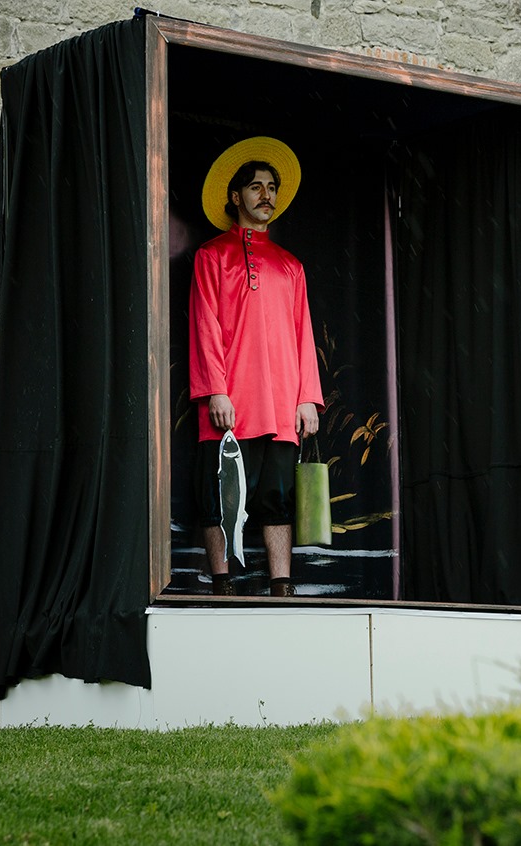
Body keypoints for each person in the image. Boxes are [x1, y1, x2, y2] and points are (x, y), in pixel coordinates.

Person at [188, 136, 323, 598]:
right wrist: (216, 389)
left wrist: (307, 398)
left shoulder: (291, 266)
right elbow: (204, 325)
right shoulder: (211, 255)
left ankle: (282, 585)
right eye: (255, 187)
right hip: (229, 400)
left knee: (277, 497)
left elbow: (303, 334)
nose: (266, 195)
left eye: (271, 187)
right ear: (235, 196)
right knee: (218, 496)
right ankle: (222, 584)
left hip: (283, 403)